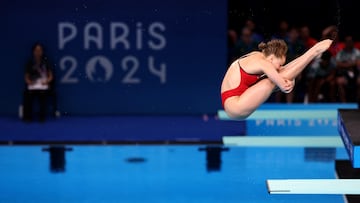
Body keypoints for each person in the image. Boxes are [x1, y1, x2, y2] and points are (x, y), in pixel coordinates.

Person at [220, 38, 333, 119]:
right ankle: (313, 52)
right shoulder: (263, 63)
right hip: (235, 107)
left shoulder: (259, 56)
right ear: (272, 58)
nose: (279, 67)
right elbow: (284, 85)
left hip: (237, 99)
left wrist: (286, 81)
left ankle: (313, 51)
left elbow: (284, 75)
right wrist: (287, 83)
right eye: (279, 64)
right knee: (271, 82)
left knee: (278, 75)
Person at [23, 42, 54, 122]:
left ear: (42, 51)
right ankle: (28, 117)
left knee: (42, 94)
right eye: (36, 50)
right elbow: (26, 77)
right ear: (33, 51)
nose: (38, 52)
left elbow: (51, 76)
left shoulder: (46, 62)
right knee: (28, 94)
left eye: (39, 50)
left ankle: (42, 117)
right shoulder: (30, 62)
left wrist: (47, 81)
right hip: (32, 85)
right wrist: (29, 82)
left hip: (43, 85)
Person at [335, 35, 360, 103]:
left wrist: (344, 64)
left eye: (350, 41)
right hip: (344, 74)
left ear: (353, 42)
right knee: (339, 82)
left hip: (356, 73)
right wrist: (352, 64)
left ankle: (357, 102)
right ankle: (344, 103)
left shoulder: (357, 52)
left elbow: (358, 64)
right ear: (344, 43)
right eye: (347, 41)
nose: (349, 43)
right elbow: (337, 64)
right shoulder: (340, 53)